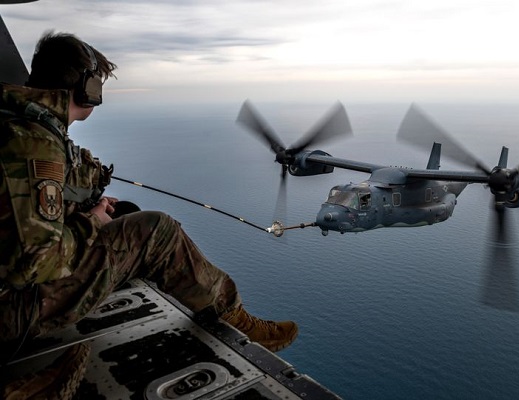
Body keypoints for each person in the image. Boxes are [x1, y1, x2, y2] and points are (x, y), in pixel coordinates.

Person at [0, 32, 298, 355]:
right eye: (97, 87)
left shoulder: (24, 121)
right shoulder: (35, 143)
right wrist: (92, 222)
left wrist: (93, 189)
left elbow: (48, 183)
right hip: (15, 312)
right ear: (84, 90)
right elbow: (36, 265)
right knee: (159, 232)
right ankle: (234, 316)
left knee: (125, 212)